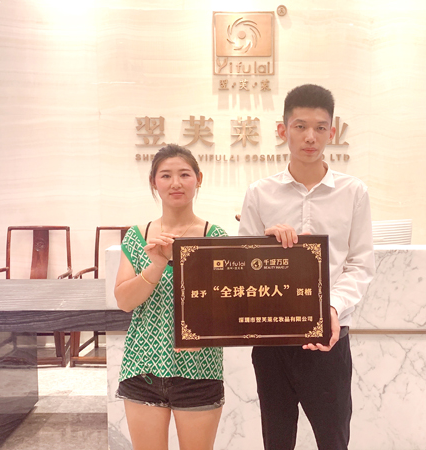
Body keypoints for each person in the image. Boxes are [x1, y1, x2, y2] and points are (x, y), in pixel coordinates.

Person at [238, 84, 375, 450]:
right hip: (272, 340)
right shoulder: (259, 193)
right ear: (283, 130)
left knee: (334, 440)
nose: (310, 137)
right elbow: (242, 269)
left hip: (329, 337)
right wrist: (265, 246)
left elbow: (360, 264)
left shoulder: (353, 192)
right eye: (300, 126)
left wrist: (331, 308)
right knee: (277, 441)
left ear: (332, 131)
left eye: (319, 127)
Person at [114, 144, 227, 450]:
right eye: (165, 175)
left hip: (199, 367)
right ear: (154, 182)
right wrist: (157, 264)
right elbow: (124, 301)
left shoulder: (215, 237)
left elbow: (228, 307)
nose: (175, 183)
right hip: (142, 366)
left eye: (184, 174)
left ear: (198, 179)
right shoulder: (137, 236)